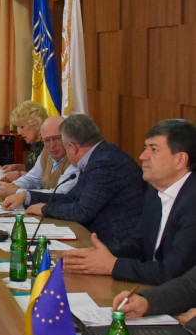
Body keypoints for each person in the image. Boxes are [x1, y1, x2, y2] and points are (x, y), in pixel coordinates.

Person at [61, 119, 196, 285]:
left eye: (153, 149)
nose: (142, 156)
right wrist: (95, 255)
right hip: (150, 286)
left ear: (180, 160)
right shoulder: (155, 191)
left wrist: (112, 265)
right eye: (146, 148)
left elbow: (172, 272)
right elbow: (139, 246)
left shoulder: (192, 203)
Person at [25, 114, 146, 247]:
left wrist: (45, 209)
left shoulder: (104, 163)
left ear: (72, 147)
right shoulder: (97, 157)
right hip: (102, 237)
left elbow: (82, 211)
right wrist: (28, 196)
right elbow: (71, 197)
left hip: (119, 246)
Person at [0, 115, 79, 209]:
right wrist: (14, 185)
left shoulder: (75, 159)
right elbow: (33, 178)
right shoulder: (46, 152)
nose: (51, 145)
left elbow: (60, 194)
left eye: (56, 138)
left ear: (67, 137)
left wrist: (18, 192)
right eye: (46, 140)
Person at [1, 100, 49, 182]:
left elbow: (45, 179)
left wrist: (19, 174)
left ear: (36, 123)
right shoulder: (35, 143)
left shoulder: (48, 146)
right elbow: (33, 168)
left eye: (22, 127)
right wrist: (17, 167)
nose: (19, 132)